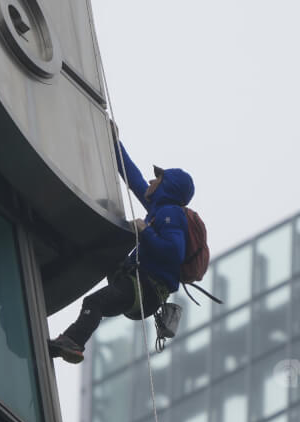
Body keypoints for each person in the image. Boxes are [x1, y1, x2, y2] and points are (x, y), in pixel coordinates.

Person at [48, 137, 195, 364]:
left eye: (157, 179)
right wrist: (113, 141)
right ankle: (65, 343)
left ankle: (73, 343)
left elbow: (173, 252)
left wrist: (145, 232)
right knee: (104, 252)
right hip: (140, 285)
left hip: (144, 288)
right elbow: (133, 178)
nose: (150, 180)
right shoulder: (159, 208)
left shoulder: (171, 214)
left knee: (94, 302)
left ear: (168, 187)